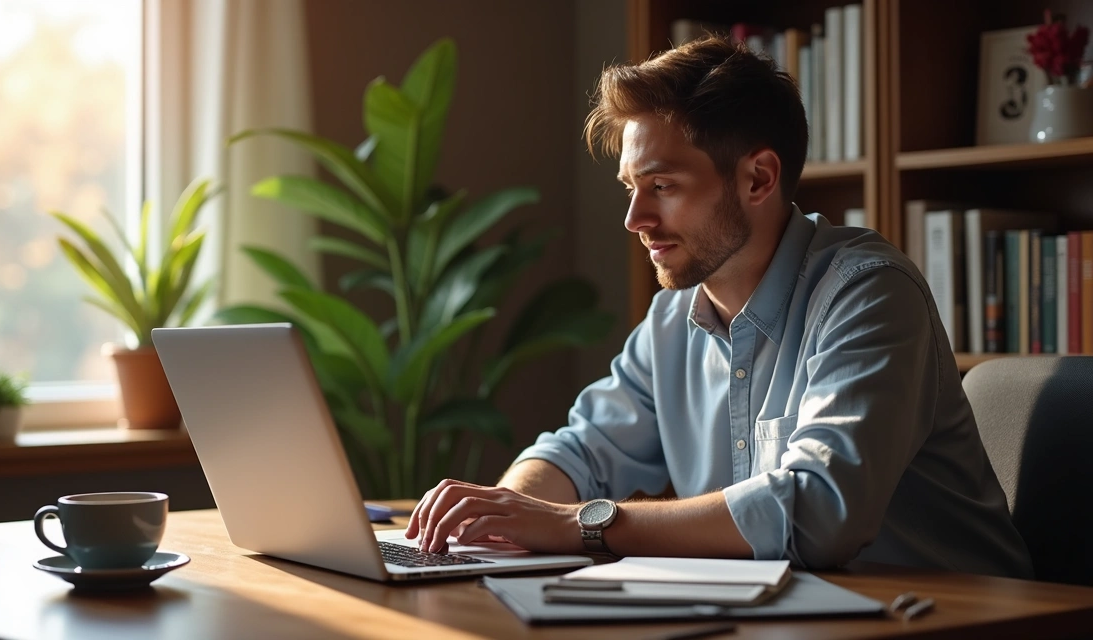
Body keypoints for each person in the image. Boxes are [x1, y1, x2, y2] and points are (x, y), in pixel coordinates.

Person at [404, 36, 1033, 579]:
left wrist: (578, 525)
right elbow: (581, 452)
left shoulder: (869, 294)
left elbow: (821, 512)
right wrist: (501, 518)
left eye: (663, 186)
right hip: (798, 618)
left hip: (963, 618)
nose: (635, 219)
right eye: (631, 187)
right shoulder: (673, 320)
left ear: (758, 178)